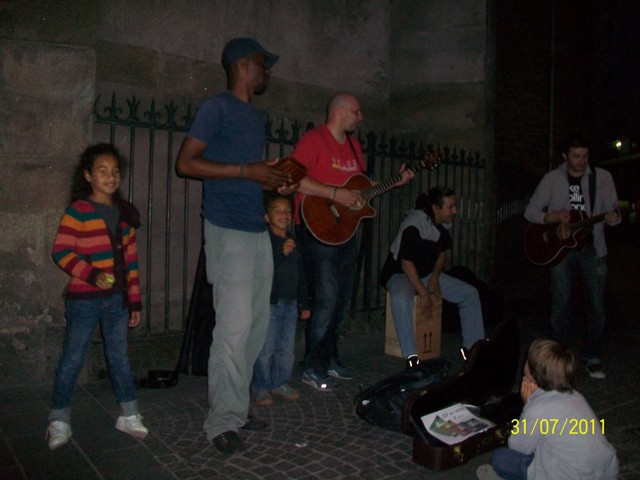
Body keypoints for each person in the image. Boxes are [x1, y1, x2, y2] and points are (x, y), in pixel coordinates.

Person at [175, 37, 294, 455]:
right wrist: (248, 170)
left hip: (256, 230)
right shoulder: (217, 108)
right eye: (263, 64)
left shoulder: (254, 118)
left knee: (256, 328)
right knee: (234, 327)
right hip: (227, 230)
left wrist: (272, 176)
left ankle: (238, 409)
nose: (267, 72)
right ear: (244, 65)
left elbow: (249, 175)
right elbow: (185, 163)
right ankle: (222, 421)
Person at [292, 92, 413, 391]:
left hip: (345, 231)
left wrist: (393, 182)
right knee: (327, 297)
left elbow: (359, 189)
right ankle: (312, 365)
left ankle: (329, 357)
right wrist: (334, 195)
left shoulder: (355, 147)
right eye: (357, 112)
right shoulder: (313, 140)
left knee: (343, 299)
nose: (361, 118)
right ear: (341, 111)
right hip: (316, 227)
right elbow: (294, 179)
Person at [47, 143, 147, 450]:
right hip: (84, 299)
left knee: (118, 356)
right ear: (88, 176)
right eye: (103, 171)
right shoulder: (78, 211)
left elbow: (131, 261)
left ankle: (129, 414)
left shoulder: (124, 214)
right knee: (73, 357)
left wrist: (134, 300)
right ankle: (59, 419)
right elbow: (61, 252)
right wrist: (90, 273)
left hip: (116, 300)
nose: (111, 176)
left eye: (115, 171)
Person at [524, 135, 620, 379]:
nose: (582, 161)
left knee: (596, 306)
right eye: (576, 156)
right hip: (562, 250)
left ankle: (593, 356)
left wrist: (614, 218)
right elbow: (531, 211)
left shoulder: (603, 178)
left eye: (585, 156)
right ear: (565, 157)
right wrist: (552, 219)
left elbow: (614, 211)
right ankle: (557, 362)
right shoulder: (552, 179)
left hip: (593, 248)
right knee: (561, 305)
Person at [476, 339, 619, 480]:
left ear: (532, 373)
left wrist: (528, 405)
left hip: (569, 475)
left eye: (527, 361)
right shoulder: (575, 395)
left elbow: (518, 447)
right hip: (605, 472)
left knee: (500, 458)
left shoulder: (538, 408)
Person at [380, 187, 485, 368]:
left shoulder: (442, 225)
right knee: (401, 298)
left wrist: (435, 277)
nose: (455, 211)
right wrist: (424, 293)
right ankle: (412, 357)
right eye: (450, 207)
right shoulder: (414, 225)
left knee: (470, 293)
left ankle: (473, 349)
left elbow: (442, 253)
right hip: (400, 272)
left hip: (426, 272)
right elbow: (406, 263)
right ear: (436, 207)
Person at [252, 193, 311, 407]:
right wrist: (280, 253)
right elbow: (261, 271)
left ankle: (281, 382)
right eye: (277, 211)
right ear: (267, 216)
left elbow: (301, 273)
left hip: (291, 302)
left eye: (287, 211)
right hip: (270, 302)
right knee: (265, 347)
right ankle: (261, 386)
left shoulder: (294, 240)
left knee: (286, 347)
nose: (283, 215)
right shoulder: (264, 240)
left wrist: (304, 302)